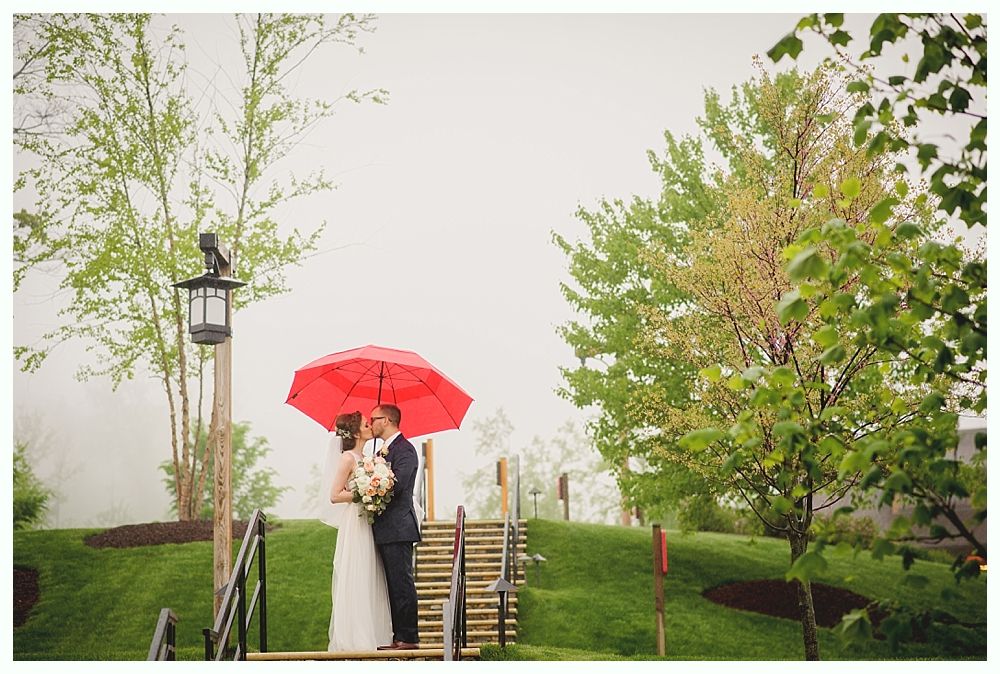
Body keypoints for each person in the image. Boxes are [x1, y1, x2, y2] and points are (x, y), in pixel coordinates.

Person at [323, 411, 393, 652]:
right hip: (355, 522)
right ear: (355, 433)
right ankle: (355, 637)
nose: (370, 425)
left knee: (372, 573)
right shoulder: (347, 459)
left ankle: (375, 633)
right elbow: (334, 495)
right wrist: (363, 493)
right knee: (357, 571)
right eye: (365, 423)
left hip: (369, 522)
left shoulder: (368, 457)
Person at [370, 404, 422, 650]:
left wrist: (374, 477)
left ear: (388, 420)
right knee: (392, 584)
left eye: (374, 419)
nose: (370, 423)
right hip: (384, 528)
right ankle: (397, 635)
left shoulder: (406, 450)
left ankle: (409, 636)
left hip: (399, 527)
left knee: (402, 583)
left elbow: (398, 485)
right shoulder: (382, 450)